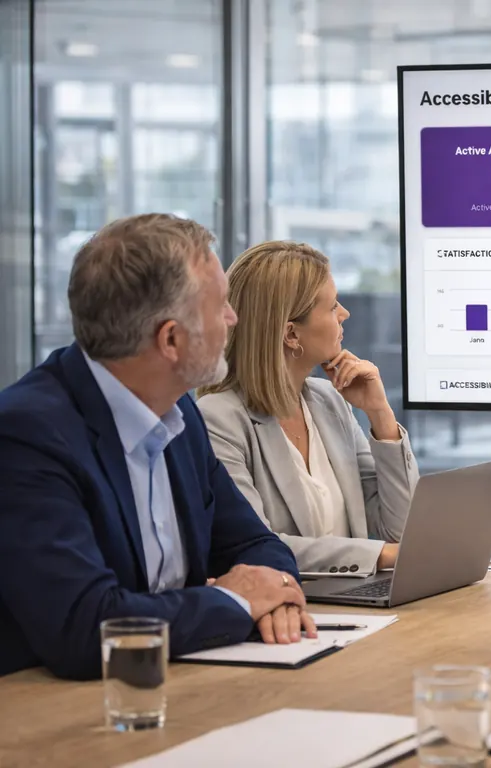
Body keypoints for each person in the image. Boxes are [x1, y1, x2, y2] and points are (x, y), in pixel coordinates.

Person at [0, 214, 317, 681]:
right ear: (171, 339)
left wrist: (275, 596)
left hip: (183, 681)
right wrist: (236, 601)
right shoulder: (27, 434)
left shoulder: (178, 410)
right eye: (221, 306)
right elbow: (87, 629)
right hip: (56, 706)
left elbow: (255, 543)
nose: (233, 319)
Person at [197, 241, 418, 576]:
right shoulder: (219, 419)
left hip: (353, 597)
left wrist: (379, 414)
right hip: (293, 601)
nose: (344, 314)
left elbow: (400, 530)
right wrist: (380, 556)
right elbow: (253, 545)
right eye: (332, 306)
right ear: (291, 334)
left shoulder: (329, 401)